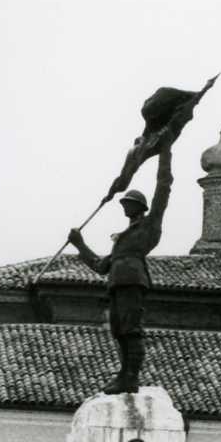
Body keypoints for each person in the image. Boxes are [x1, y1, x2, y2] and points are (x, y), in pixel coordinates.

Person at [68, 149, 173, 396]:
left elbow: (164, 187)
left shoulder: (149, 226)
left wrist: (165, 152)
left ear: (139, 207)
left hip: (133, 282)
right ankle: (124, 374)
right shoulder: (121, 241)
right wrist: (79, 243)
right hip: (116, 284)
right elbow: (101, 266)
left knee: (130, 330)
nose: (125, 206)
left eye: (128, 203)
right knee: (118, 330)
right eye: (124, 203)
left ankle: (131, 377)